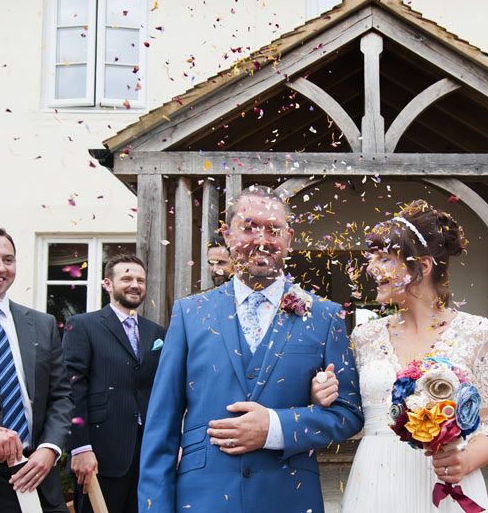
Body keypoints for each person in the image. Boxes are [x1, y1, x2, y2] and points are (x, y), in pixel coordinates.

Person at [137, 186, 363, 512]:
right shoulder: (190, 313)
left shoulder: (325, 316)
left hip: (289, 498)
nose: (261, 239)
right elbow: (161, 430)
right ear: (227, 235)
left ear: (289, 238)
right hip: (203, 499)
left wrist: (275, 427)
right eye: (249, 227)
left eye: (274, 229)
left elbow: (348, 414)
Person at [311, 199, 488, 512]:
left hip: (446, 486)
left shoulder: (479, 333)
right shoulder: (364, 337)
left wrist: (465, 460)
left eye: (385, 259)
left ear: (423, 266)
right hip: (376, 485)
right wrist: (324, 395)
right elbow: (351, 414)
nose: (372, 268)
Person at [0, 223, 73, 512]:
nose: (0, 267)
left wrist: (50, 448)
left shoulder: (41, 324)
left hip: (39, 479)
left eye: (8, 259)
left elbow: (61, 397)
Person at [62, 254, 166, 513]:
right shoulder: (83, 325)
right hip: (100, 453)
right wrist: (80, 447)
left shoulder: (157, 332)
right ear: (107, 284)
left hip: (146, 455)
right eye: (127, 278)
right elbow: (72, 389)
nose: (135, 285)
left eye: (140, 280)